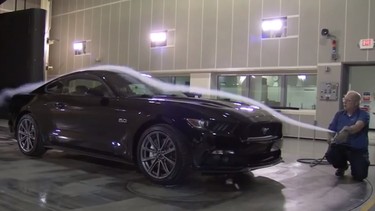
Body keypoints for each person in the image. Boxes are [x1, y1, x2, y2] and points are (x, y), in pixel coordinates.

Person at [325, 90, 370, 181]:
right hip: (341, 147)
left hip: (357, 149)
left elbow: (357, 126)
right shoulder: (339, 114)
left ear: (356, 103)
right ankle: (342, 166)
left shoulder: (363, 115)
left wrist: (347, 130)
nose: (345, 102)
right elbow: (331, 130)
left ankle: (360, 164)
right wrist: (330, 138)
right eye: (344, 100)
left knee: (360, 176)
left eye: (348, 100)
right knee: (331, 154)